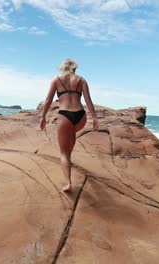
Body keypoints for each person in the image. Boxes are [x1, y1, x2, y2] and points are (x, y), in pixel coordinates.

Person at [40, 58, 99, 192]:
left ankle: (68, 183)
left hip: (65, 116)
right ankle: (69, 161)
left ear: (62, 68)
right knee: (70, 138)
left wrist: (43, 116)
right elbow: (88, 100)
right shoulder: (82, 80)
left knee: (63, 153)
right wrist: (95, 118)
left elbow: (48, 100)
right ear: (74, 68)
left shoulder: (56, 80)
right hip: (80, 117)